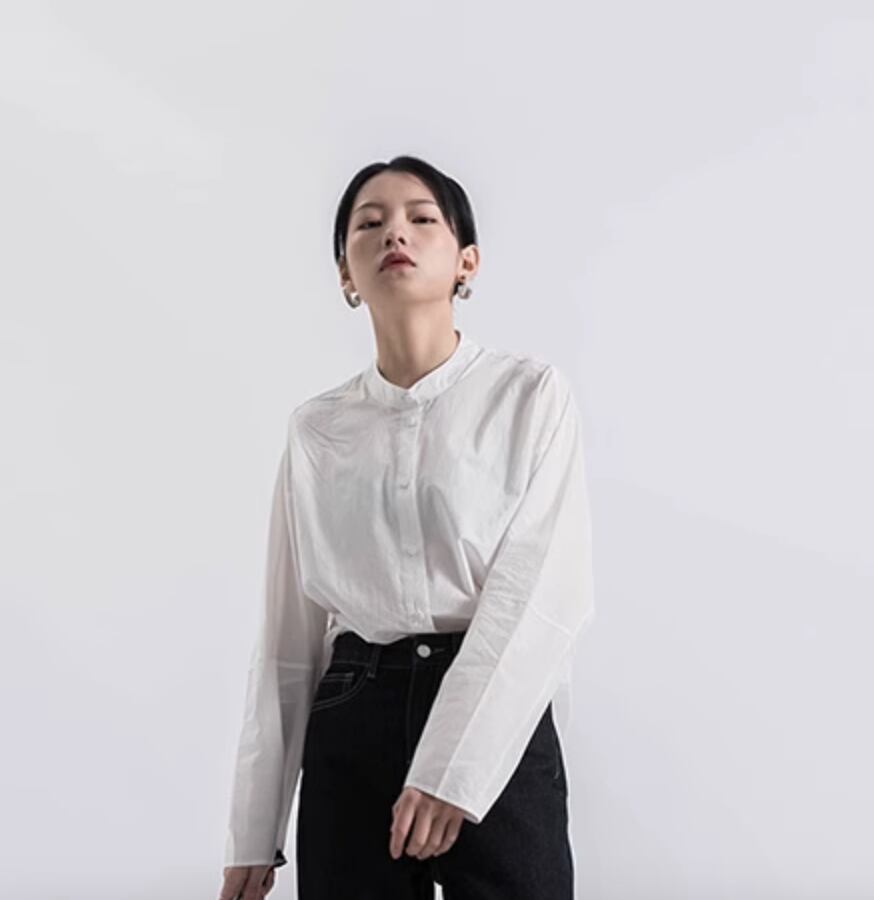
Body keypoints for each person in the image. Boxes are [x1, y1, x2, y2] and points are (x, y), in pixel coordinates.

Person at [218, 155, 595, 900]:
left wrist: (454, 767)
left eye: (422, 219)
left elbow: (542, 592)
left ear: (466, 262)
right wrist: (254, 829)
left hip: (497, 715)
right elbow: (289, 640)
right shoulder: (317, 429)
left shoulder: (528, 396)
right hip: (353, 714)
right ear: (346, 274)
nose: (396, 233)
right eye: (370, 223)